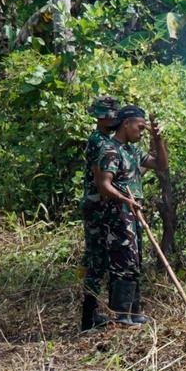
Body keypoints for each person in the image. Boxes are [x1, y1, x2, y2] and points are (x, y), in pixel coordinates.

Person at [95, 105, 168, 326]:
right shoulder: (110, 149)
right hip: (118, 212)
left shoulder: (133, 152)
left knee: (135, 260)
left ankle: (133, 311)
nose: (142, 131)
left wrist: (158, 139)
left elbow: (161, 165)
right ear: (126, 124)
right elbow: (104, 185)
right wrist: (126, 200)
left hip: (133, 212)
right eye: (140, 126)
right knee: (123, 261)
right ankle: (121, 315)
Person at [79, 96, 121, 331]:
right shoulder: (98, 141)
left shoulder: (105, 139)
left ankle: (91, 314)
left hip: (99, 206)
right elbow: (100, 179)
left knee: (99, 259)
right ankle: (88, 317)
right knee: (96, 260)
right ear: (103, 118)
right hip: (97, 207)